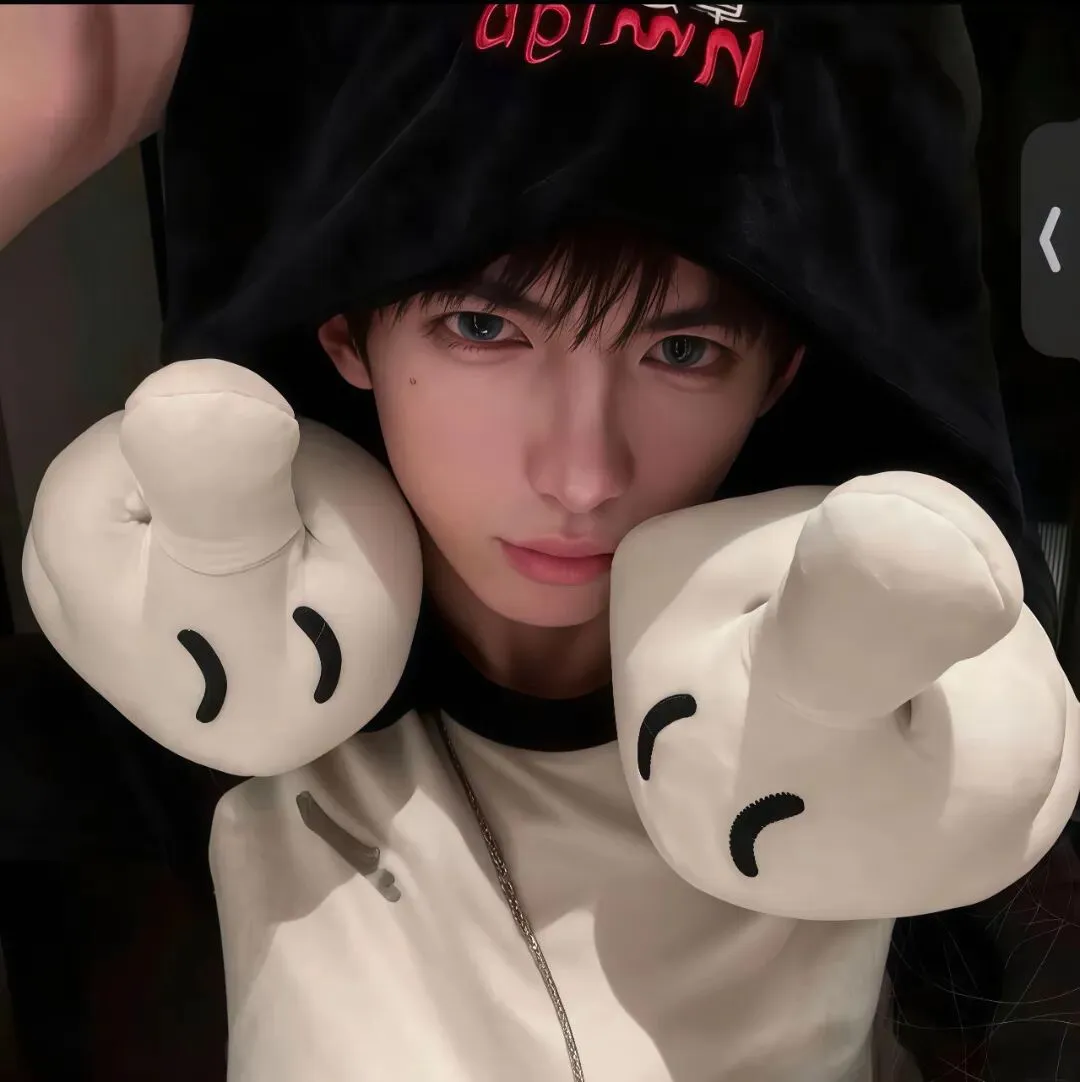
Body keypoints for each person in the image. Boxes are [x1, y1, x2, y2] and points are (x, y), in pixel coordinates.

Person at [1, 5, 1077, 1081]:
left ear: (777, 376)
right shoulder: (182, 702)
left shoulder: (889, 719)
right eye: (484, 329)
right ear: (347, 331)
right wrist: (50, 111)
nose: (581, 473)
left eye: (683, 351)